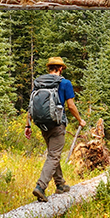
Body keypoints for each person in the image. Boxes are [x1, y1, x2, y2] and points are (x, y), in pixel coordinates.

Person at [25, 56, 86, 203]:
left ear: (49, 68)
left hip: (43, 124)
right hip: (57, 125)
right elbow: (71, 106)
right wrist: (80, 120)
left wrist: (28, 125)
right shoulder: (65, 83)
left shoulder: (39, 82)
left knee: (54, 154)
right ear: (60, 68)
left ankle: (60, 184)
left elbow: (31, 105)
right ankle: (40, 187)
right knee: (53, 156)